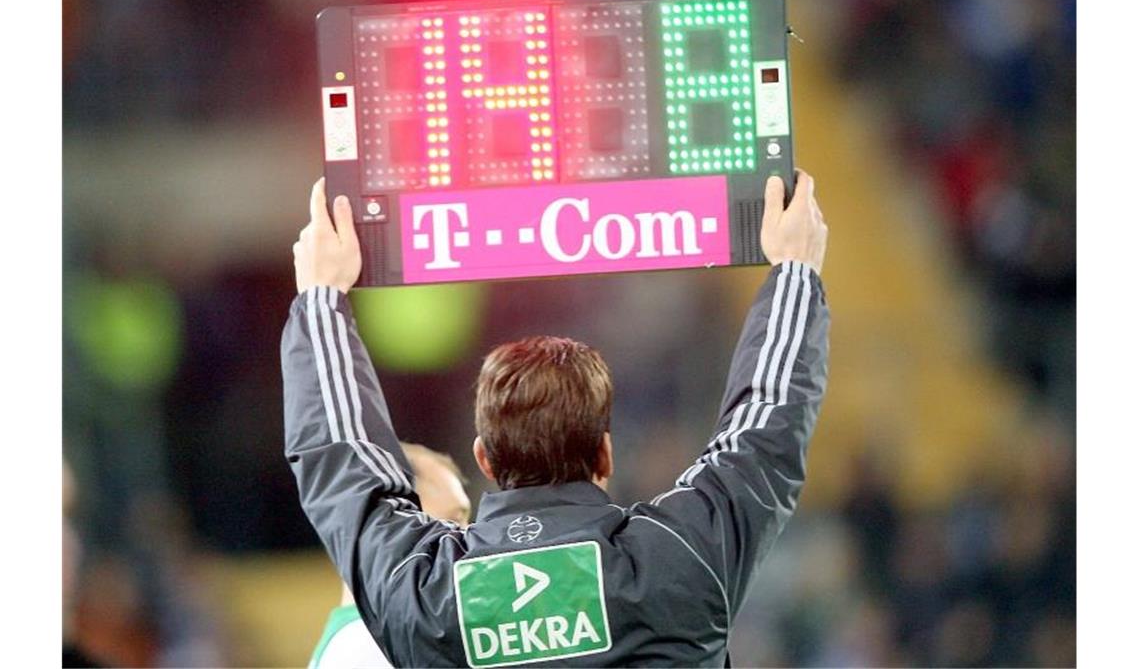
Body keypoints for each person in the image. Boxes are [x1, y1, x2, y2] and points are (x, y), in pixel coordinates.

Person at [284, 171, 829, 666]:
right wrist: (794, 275)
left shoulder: (424, 596)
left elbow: (341, 462)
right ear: (604, 454)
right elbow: (764, 434)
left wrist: (320, 298)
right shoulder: (677, 561)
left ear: (485, 459)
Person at [308, 443, 472, 669]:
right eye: (452, 522)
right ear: (390, 523)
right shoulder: (371, 647)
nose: (466, 539)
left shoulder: (361, 641)